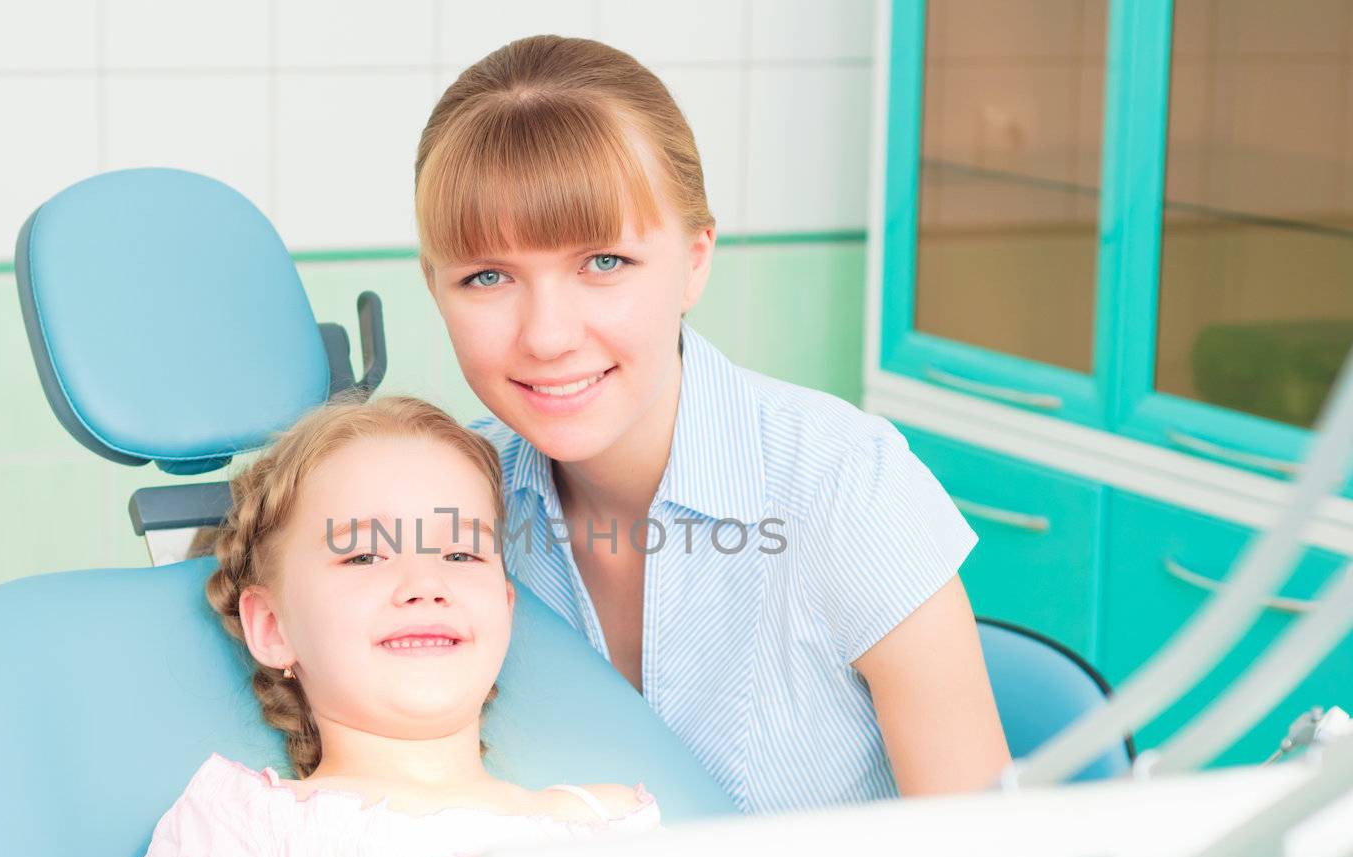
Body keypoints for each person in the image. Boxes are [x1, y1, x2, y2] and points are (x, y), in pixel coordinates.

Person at [414, 36, 1011, 812]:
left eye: (604, 263)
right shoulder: (445, 508)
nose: (547, 335)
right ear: (435, 288)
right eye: (487, 277)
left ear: (696, 260)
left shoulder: (845, 487)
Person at [127, 396, 660, 857]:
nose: (424, 583)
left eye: (462, 553)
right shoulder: (244, 830)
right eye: (363, 556)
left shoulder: (607, 827)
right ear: (272, 626)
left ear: (504, 602)